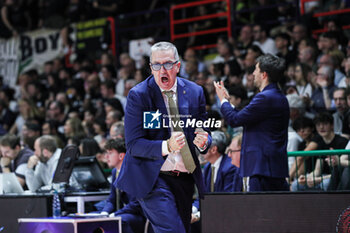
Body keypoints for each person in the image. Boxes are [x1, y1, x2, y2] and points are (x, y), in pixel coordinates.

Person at [116, 41, 212, 233]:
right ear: (151, 67)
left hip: (185, 177)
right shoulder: (139, 95)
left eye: (168, 64)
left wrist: (204, 141)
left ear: (177, 66)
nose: (162, 70)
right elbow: (134, 145)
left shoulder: (195, 92)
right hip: (153, 177)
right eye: (156, 65)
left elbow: (202, 129)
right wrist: (167, 146)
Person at [214, 54, 290, 191]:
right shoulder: (277, 96)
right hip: (271, 167)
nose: (252, 74)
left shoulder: (265, 98)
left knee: (260, 211)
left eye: (256, 69)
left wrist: (223, 101)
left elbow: (234, 120)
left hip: (263, 168)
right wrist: (228, 101)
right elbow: (241, 116)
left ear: (264, 74)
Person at [101, 138, 151, 233]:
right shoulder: (114, 172)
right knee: (94, 218)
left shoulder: (134, 172)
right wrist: (105, 212)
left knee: (120, 221)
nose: (106, 157)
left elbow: (137, 204)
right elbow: (112, 199)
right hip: (124, 212)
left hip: (138, 215)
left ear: (121, 156)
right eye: (106, 153)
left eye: (110, 153)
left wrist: (115, 214)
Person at [191, 131, 237, 229]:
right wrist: (193, 209)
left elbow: (226, 199)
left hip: (225, 213)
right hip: (211, 211)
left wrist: (199, 215)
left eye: (204, 147)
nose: (200, 149)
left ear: (213, 149)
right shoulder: (207, 167)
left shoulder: (229, 167)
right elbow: (202, 195)